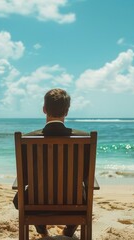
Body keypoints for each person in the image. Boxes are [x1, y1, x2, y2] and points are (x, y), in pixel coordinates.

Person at [13, 88, 88, 238]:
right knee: (84, 191)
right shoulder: (84, 138)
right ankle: (69, 231)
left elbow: (25, 179)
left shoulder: (27, 139)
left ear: (44, 109)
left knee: (23, 195)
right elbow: (86, 176)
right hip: (74, 204)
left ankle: (42, 232)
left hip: (36, 205)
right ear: (66, 111)